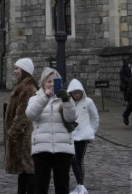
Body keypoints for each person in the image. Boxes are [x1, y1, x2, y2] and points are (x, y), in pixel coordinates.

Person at [26, 66, 77, 194]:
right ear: (43, 83)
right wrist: (44, 98)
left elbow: (71, 117)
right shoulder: (35, 99)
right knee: (41, 185)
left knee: (62, 186)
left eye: (55, 81)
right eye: (49, 81)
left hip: (62, 148)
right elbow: (31, 114)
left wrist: (66, 100)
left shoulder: (65, 99)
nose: (52, 84)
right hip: (42, 148)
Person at [4, 58, 37, 194]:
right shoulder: (23, 86)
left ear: (25, 71)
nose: (15, 71)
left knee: (28, 171)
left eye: (17, 68)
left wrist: (12, 133)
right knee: (23, 173)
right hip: (22, 137)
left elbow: (22, 115)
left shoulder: (28, 89)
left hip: (24, 137)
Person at [67, 79, 99, 194]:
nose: (77, 95)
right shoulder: (67, 102)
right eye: (74, 92)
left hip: (83, 136)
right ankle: (80, 184)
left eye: (78, 92)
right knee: (73, 159)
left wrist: (92, 131)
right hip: (71, 136)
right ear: (71, 92)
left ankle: (81, 185)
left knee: (79, 160)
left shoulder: (88, 102)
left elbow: (95, 118)